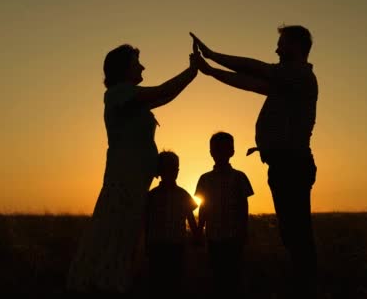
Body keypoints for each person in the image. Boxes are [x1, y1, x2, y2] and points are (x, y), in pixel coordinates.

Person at [191, 25, 319, 296]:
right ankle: (304, 284)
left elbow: (255, 69)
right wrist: (212, 70)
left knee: (297, 235)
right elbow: (250, 82)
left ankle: (307, 287)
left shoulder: (298, 75)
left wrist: (213, 56)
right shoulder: (286, 82)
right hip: (284, 165)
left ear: (295, 46)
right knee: (292, 234)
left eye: (281, 43)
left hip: (292, 165)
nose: (276, 49)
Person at [66, 43, 199, 297]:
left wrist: (191, 74)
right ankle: (98, 284)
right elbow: (162, 92)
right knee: (113, 230)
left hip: (133, 181)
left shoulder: (129, 96)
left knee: (123, 234)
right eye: (137, 62)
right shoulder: (118, 93)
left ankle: (107, 283)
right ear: (123, 68)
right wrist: (191, 72)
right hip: (124, 178)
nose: (143, 66)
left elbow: (163, 96)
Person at [194, 131, 254, 296]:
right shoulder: (205, 179)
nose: (220, 153)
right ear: (211, 152)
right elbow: (203, 207)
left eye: (224, 149)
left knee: (233, 276)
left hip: (234, 236)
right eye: (217, 149)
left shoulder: (239, 177)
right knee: (217, 276)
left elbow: (243, 205)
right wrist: (199, 230)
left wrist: (243, 230)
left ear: (232, 152)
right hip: (213, 236)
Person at [144, 150, 199, 297]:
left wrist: (196, 236)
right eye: (168, 168)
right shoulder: (152, 196)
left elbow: (190, 216)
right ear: (160, 171)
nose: (173, 172)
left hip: (176, 244)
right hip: (157, 244)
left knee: (175, 282)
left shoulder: (182, 194)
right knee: (157, 282)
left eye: (175, 168)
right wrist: (145, 243)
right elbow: (146, 221)